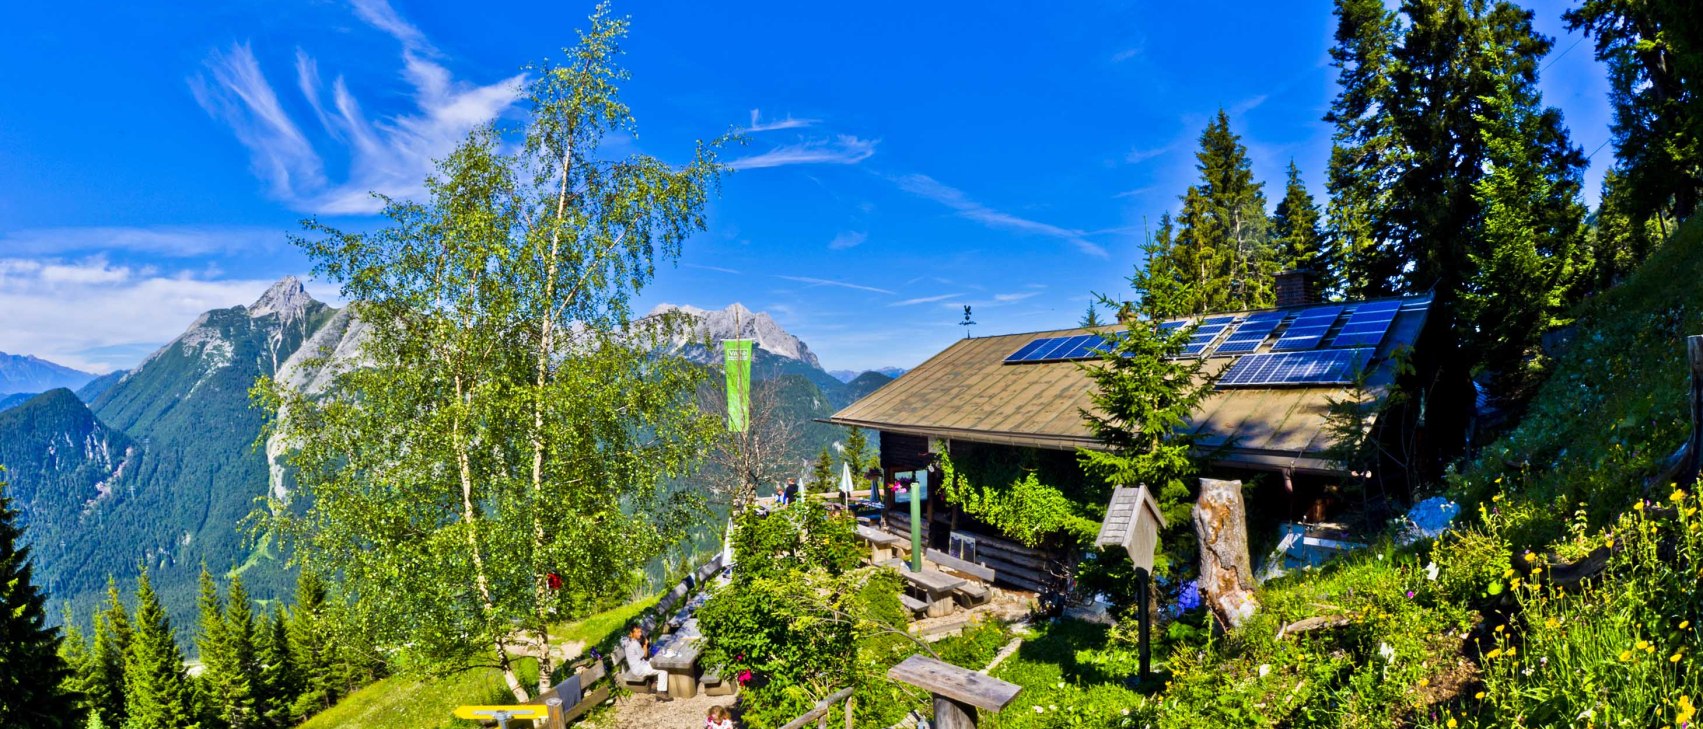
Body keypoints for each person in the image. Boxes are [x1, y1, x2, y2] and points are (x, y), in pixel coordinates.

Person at [620, 624, 671, 702]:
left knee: (656, 661)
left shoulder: (627, 641)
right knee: (663, 670)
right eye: (637, 632)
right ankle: (661, 693)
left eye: (640, 632)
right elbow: (645, 655)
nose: (640, 634)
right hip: (640, 668)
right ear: (631, 633)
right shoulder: (635, 644)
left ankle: (655, 686)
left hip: (637, 665)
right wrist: (645, 644)